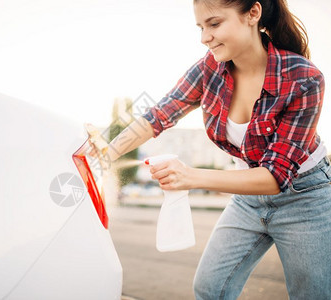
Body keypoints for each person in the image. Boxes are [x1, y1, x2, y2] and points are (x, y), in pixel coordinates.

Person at [90, 0, 331, 299]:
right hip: (248, 199)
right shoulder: (210, 67)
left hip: (305, 198)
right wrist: (104, 155)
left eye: (214, 24)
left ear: (252, 14)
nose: (204, 37)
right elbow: (159, 114)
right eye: (201, 27)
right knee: (210, 288)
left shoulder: (305, 78)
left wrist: (189, 176)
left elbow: (273, 176)